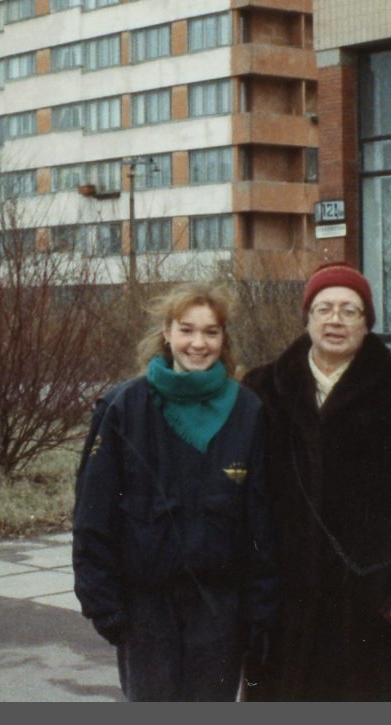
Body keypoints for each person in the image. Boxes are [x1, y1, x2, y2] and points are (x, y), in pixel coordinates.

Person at [239, 262, 391, 701]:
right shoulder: (261, 391)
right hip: (283, 602)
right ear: (307, 318)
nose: (335, 320)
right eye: (324, 308)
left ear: (367, 323)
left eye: (350, 311)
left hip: (370, 604)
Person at [72, 283, 277, 701]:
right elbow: (92, 516)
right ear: (167, 333)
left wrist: (260, 610)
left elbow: (264, 523)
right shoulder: (123, 408)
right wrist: (104, 604)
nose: (198, 344)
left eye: (211, 332)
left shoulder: (248, 412)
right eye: (187, 330)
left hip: (220, 612)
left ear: (224, 338)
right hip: (145, 611)